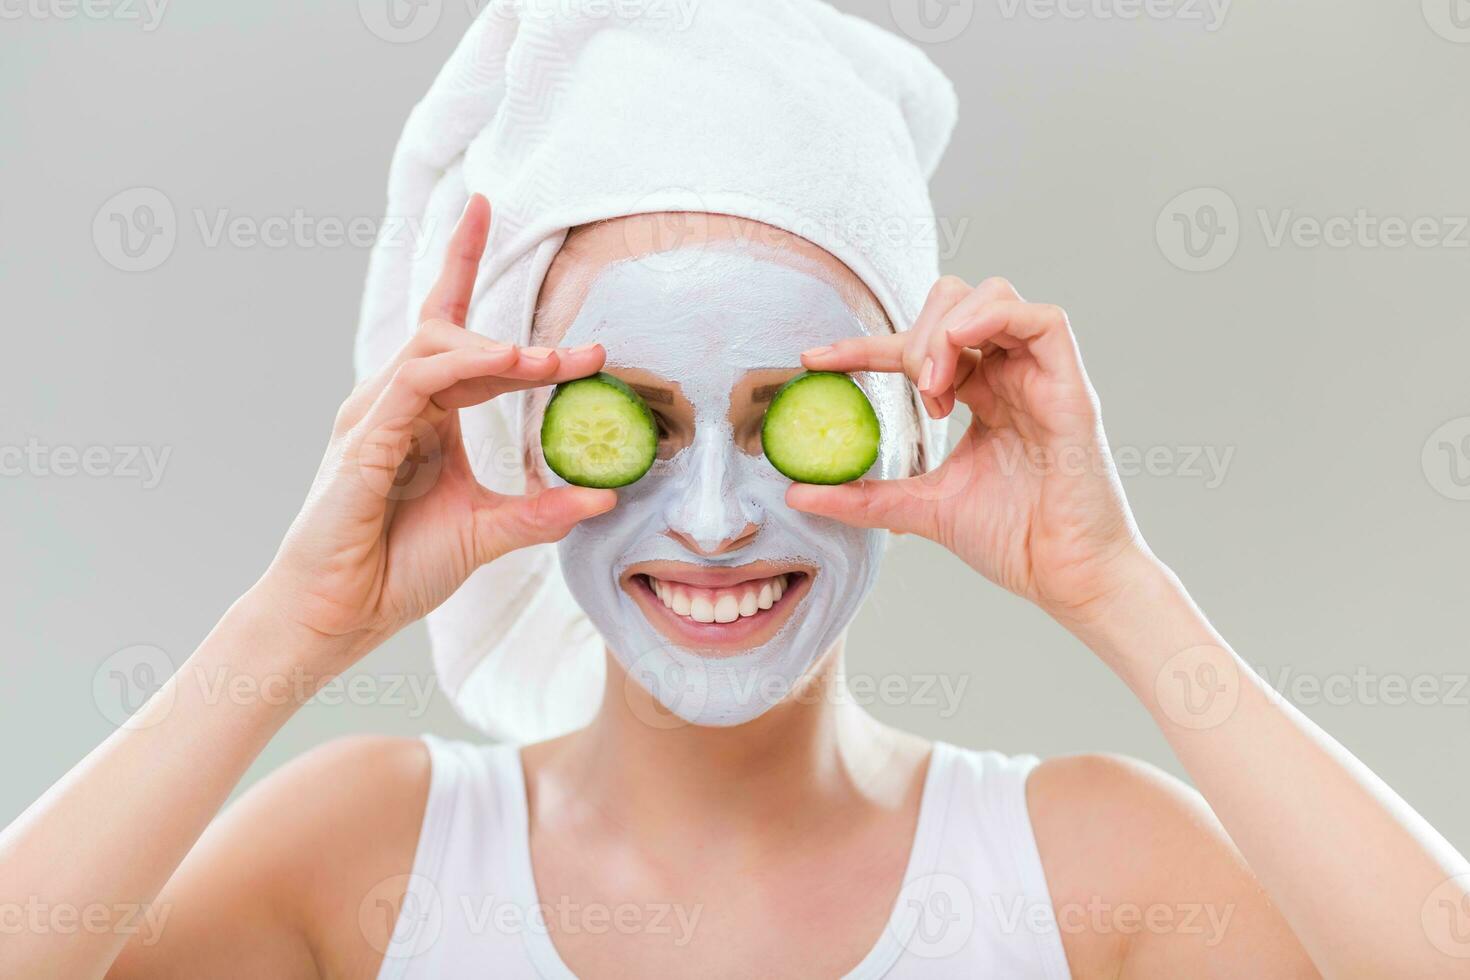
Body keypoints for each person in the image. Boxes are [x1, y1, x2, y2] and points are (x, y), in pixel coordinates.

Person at [5, 2, 1469, 978]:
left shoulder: (1086, 864)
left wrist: (1120, 592)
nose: (709, 519)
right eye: (626, 422)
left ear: (904, 428)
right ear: (521, 432)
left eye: (793, 421)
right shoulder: (370, 853)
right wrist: (294, 625)